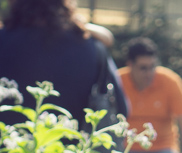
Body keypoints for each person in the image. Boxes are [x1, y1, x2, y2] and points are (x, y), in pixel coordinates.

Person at [0, 0, 127, 131]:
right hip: (73, 149)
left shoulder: (3, 41)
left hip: (8, 145)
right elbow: (120, 109)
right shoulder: (92, 47)